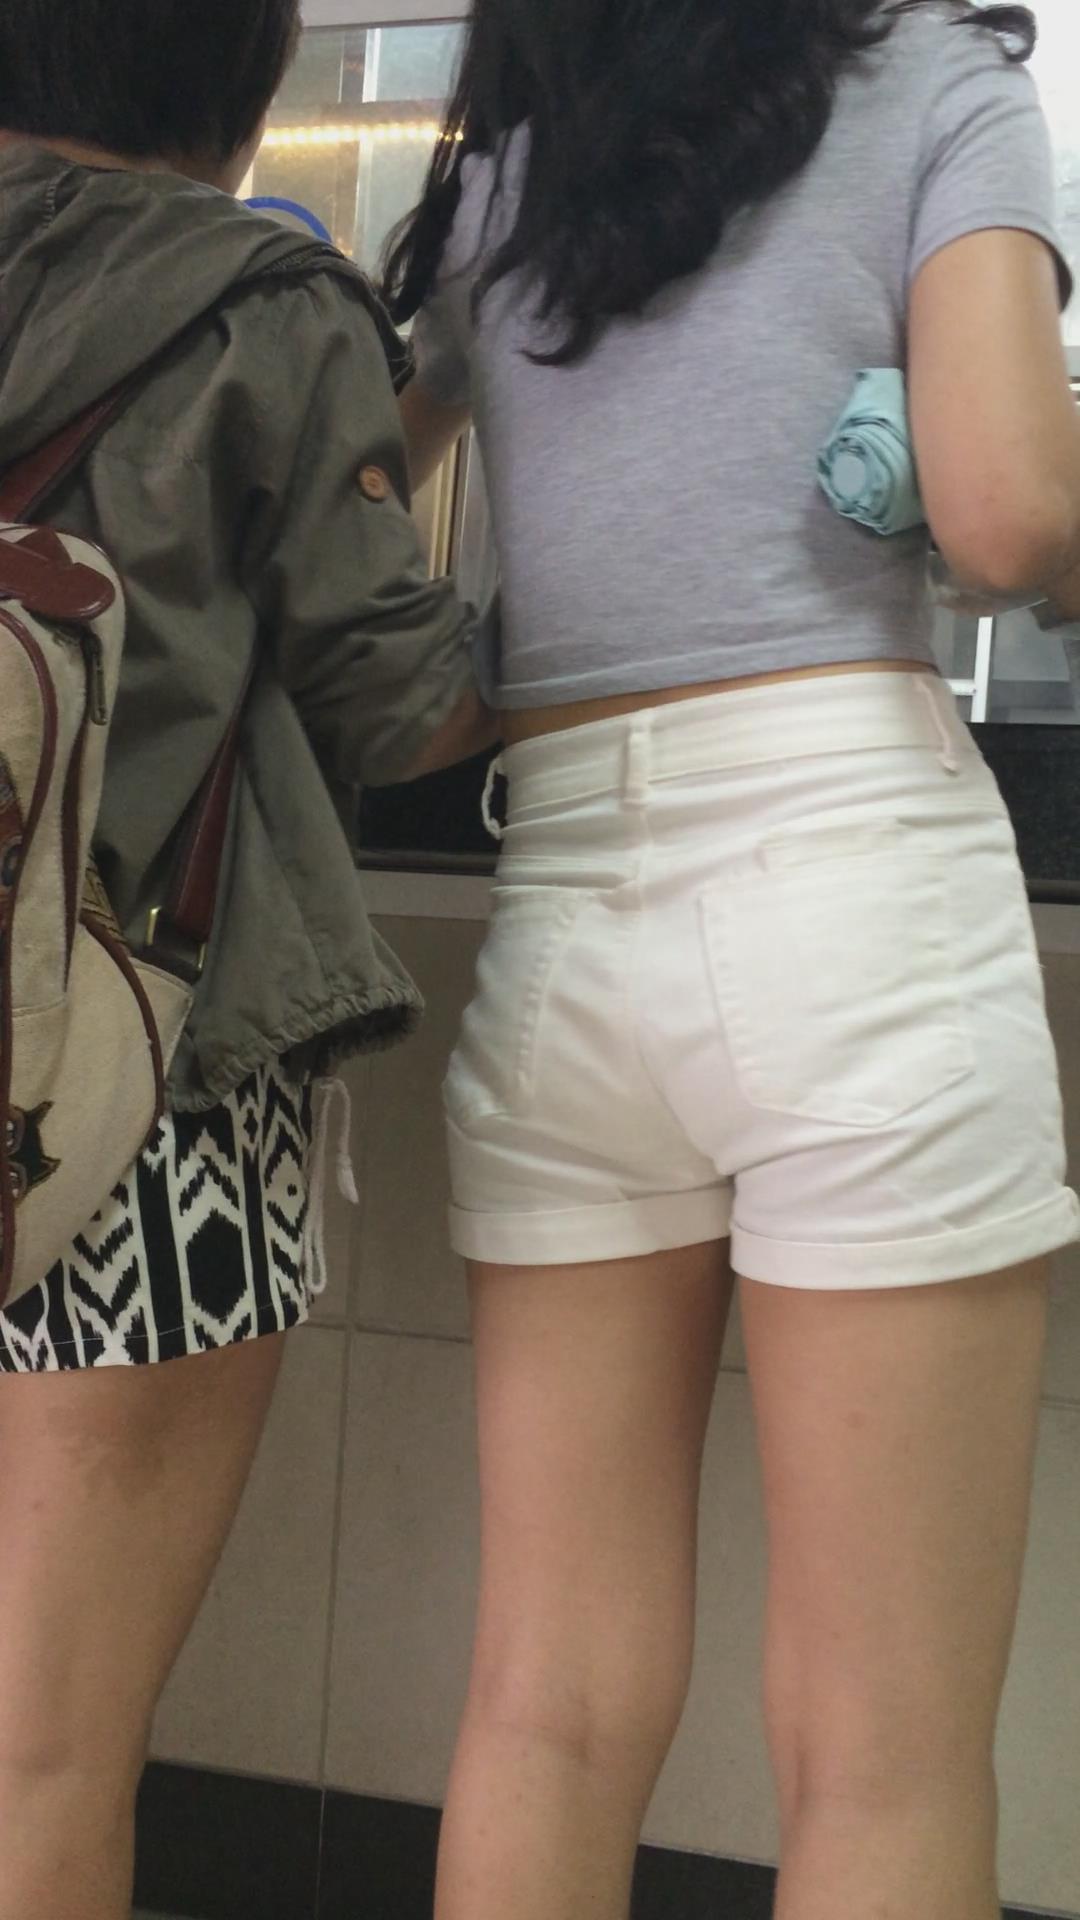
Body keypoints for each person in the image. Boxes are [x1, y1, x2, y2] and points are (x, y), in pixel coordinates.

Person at [385, 2, 1080, 1916]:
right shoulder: (939, 83)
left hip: (563, 908)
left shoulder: (506, 172)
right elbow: (1010, 510)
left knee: (542, 1708)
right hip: (851, 885)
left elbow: (341, 513)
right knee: (880, 1754)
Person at [0, 3, 491, 1915]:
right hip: (143, 1078)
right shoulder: (267, 307)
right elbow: (399, 707)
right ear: (244, 77)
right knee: (45, 1753)